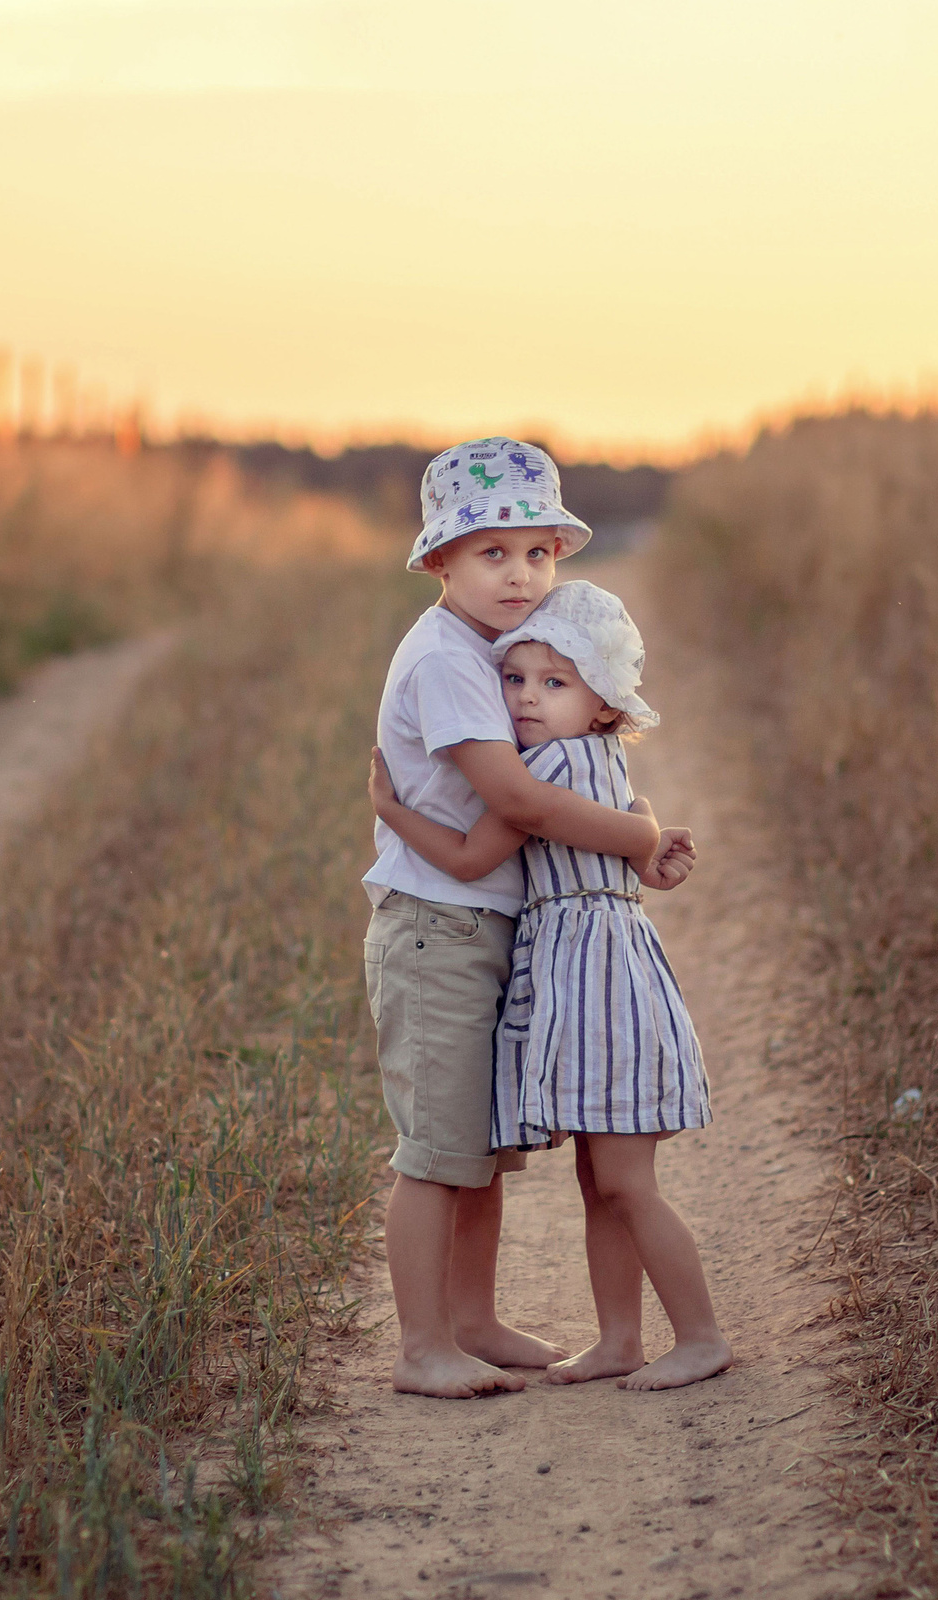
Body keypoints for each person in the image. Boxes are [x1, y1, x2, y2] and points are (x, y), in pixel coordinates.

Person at [364, 438, 698, 1400]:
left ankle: (473, 1317)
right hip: (437, 927)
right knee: (436, 1151)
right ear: (440, 562)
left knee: (481, 1148)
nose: (520, 575)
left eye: (537, 555)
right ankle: (422, 1342)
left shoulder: (495, 652)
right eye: (491, 554)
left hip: (485, 923)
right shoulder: (443, 659)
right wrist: (639, 836)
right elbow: (520, 798)